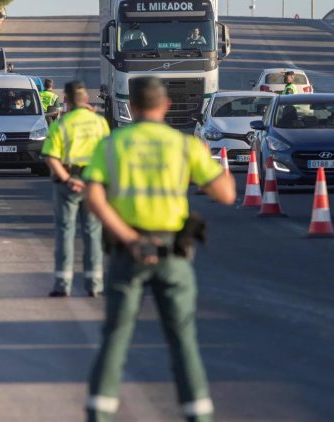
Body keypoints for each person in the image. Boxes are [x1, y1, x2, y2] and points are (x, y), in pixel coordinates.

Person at [83, 77, 236, 422]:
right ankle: (198, 414)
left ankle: (99, 414)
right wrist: (213, 166)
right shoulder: (184, 146)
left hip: (128, 252)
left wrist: (129, 238)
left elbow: (93, 197)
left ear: (132, 107)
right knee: (182, 339)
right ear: (165, 105)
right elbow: (226, 195)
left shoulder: (112, 145)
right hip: (172, 254)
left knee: (116, 338)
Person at [42, 81, 110, 298]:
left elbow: (51, 157)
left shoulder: (61, 125)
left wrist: (68, 179)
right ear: (86, 100)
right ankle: (95, 284)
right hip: (93, 185)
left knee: (65, 233)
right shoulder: (100, 123)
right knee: (92, 233)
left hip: (68, 185)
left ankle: (63, 284)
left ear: (67, 101)